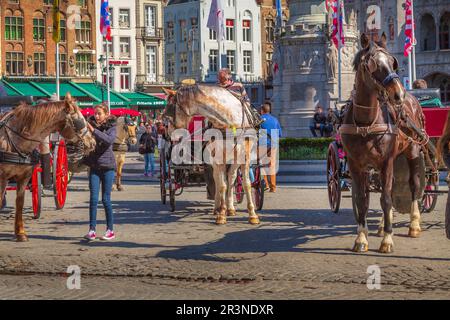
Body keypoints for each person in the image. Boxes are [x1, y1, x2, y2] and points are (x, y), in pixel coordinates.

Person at [83, 104, 117, 241]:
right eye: (95, 113)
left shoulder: (112, 127)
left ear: (106, 114)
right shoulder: (89, 125)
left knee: (106, 199)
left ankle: (110, 230)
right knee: (93, 199)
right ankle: (92, 230)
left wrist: (93, 130)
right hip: (94, 166)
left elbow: (108, 140)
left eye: (99, 113)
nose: (96, 116)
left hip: (108, 167)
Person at [260, 102, 282, 193]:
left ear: (262, 111)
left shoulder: (259, 119)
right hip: (273, 144)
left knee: (262, 165)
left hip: (262, 143)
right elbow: (279, 134)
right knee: (272, 165)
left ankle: (266, 185)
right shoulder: (275, 120)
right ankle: (273, 187)